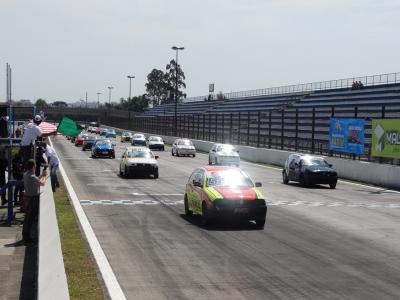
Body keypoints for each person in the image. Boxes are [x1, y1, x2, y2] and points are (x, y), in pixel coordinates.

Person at [22, 159, 46, 244]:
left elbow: (36, 180)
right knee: (30, 219)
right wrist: (44, 176)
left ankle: (25, 235)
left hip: (27, 197)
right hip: (33, 199)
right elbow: (42, 183)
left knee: (27, 218)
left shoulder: (26, 174)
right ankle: (27, 237)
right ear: (33, 166)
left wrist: (41, 175)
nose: (35, 166)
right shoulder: (32, 176)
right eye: (35, 165)